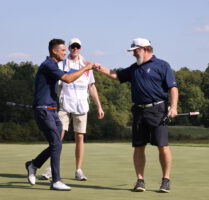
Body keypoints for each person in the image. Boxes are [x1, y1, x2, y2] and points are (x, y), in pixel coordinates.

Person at [95, 38, 178, 193]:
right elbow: (117, 75)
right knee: (139, 146)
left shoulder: (162, 65)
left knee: (162, 146)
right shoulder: (134, 68)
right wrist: (101, 68)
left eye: (135, 50)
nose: (133, 54)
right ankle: (140, 180)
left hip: (158, 110)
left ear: (145, 49)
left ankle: (165, 180)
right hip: (139, 111)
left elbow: (173, 88)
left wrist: (173, 107)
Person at [25, 38, 95, 191]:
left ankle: (33, 164)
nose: (65, 52)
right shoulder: (48, 65)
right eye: (63, 50)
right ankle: (56, 180)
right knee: (56, 143)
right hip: (43, 110)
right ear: (54, 51)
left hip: (52, 111)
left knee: (56, 143)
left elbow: (68, 72)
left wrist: (86, 67)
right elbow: (68, 79)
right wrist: (86, 68)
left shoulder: (53, 65)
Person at [41, 38, 104, 181]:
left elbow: (91, 86)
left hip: (81, 104)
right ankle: (51, 168)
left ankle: (78, 170)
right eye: (73, 47)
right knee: (58, 136)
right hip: (65, 103)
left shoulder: (86, 65)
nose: (75, 49)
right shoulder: (62, 63)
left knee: (80, 137)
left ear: (80, 48)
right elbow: (54, 84)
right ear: (69, 48)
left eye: (78, 47)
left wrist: (99, 106)